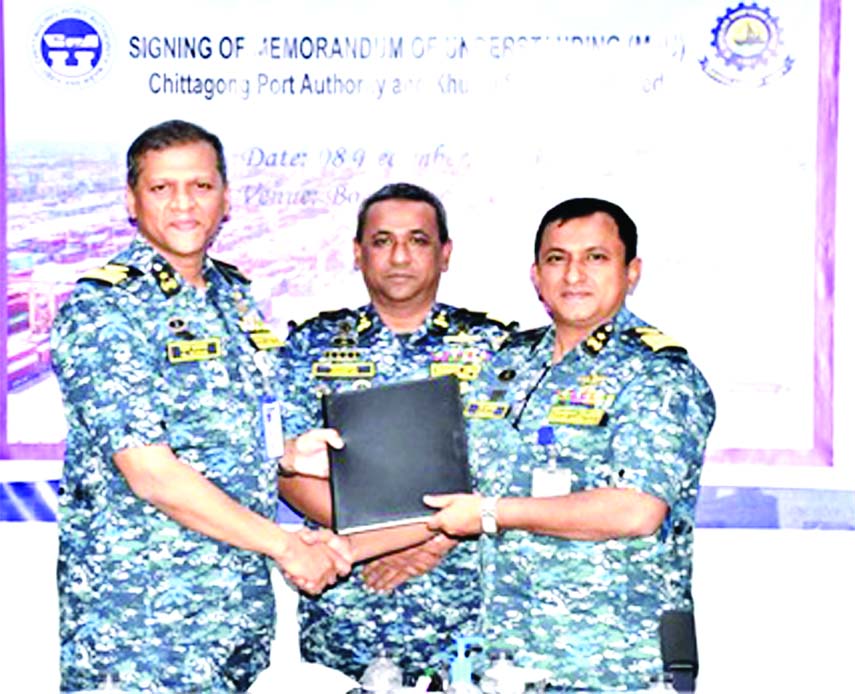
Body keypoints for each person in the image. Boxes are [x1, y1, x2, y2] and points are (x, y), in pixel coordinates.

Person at [50, 119, 352, 693]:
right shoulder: (104, 309)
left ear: (226, 198)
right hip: (142, 630)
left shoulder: (234, 297)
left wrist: (287, 452)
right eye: (162, 188)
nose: (184, 204)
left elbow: (226, 429)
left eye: (201, 186)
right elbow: (151, 473)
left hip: (234, 614)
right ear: (132, 201)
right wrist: (287, 545)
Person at [423, 197, 716, 691]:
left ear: (631, 272)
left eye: (596, 257)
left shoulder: (659, 374)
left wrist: (491, 513)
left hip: (615, 668)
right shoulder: (506, 363)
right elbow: (453, 480)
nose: (574, 274)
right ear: (536, 276)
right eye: (557, 259)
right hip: (502, 661)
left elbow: (636, 510)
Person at [278, 182, 515, 682]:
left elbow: (516, 471)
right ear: (357, 253)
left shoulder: (500, 349)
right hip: (345, 614)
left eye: (418, 240)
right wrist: (393, 538)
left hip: (467, 618)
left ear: (445, 254)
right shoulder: (308, 347)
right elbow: (285, 469)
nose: (400, 256)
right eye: (382, 241)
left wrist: (440, 540)